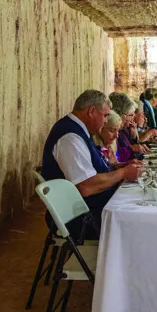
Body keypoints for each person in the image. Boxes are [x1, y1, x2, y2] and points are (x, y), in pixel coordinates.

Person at [40, 90, 140, 239]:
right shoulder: (70, 137)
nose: (106, 120)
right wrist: (123, 173)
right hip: (82, 218)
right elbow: (85, 186)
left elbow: (91, 168)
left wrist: (120, 166)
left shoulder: (80, 131)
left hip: (92, 208)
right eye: (105, 115)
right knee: (138, 217)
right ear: (91, 111)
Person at [109, 92, 149, 162]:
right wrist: (131, 148)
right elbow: (116, 156)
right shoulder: (110, 130)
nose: (132, 118)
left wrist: (134, 138)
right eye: (130, 115)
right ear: (120, 113)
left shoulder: (124, 130)